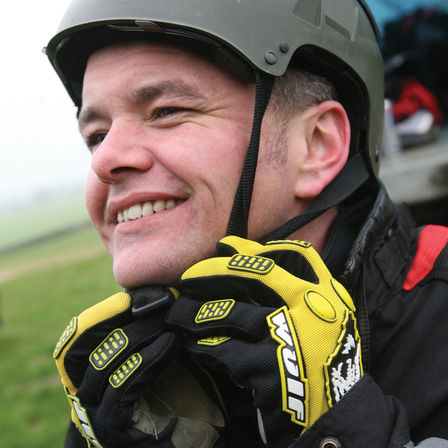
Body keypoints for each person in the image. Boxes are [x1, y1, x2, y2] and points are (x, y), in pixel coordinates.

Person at [45, 0, 448, 447]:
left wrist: (341, 429)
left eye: (167, 111)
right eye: (96, 136)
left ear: (316, 145)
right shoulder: (124, 386)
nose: (106, 160)